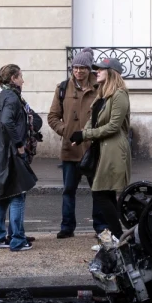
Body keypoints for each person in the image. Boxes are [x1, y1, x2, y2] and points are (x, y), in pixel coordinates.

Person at [70, 56, 131, 238]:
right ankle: (116, 237)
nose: (96, 72)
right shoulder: (102, 95)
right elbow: (93, 120)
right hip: (101, 149)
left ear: (111, 73)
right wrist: (82, 134)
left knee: (100, 193)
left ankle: (119, 236)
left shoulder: (119, 94)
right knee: (107, 194)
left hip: (113, 150)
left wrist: (85, 135)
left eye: (101, 69)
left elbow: (113, 126)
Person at [0, 64, 39, 252]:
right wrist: (19, 144)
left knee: (3, 197)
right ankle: (18, 240)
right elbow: (6, 121)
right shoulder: (12, 97)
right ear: (13, 78)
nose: (23, 80)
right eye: (20, 76)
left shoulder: (2, 97)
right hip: (11, 153)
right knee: (18, 194)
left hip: (1, 152)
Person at [47, 49, 104, 239]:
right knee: (68, 190)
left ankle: (101, 227)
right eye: (75, 68)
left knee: (98, 190)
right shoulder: (63, 88)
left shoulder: (100, 87)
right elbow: (53, 117)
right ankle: (67, 226)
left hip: (94, 148)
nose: (78, 71)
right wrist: (67, 132)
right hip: (70, 148)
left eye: (82, 68)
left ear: (89, 69)